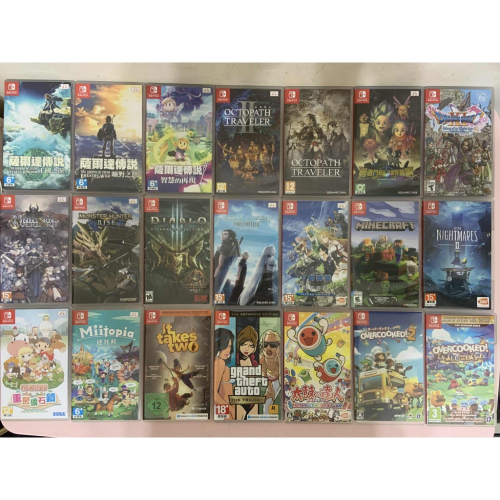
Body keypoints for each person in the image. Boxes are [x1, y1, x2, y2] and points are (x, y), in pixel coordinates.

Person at [213, 328, 235, 420]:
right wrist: (231, 410)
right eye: (225, 346)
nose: (228, 350)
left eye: (230, 346)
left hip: (224, 407)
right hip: (225, 408)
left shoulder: (217, 361)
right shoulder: (219, 362)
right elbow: (214, 394)